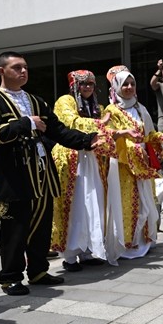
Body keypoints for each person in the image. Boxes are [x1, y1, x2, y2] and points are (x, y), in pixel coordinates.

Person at [0, 52, 97, 295]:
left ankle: (38, 270)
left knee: (41, 225)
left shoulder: (36, 100)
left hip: (41, 173)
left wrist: (88, 141)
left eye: (25, 67)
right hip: (13, 174)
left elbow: (58, 131)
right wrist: (27, 123)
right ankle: (10, 277)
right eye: (17, 67)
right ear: (2, 71)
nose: (23, 71)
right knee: (14, 228)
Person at [102, 69, 163, 258]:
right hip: (122, 166)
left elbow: (150, 136)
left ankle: (143, 239)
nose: (129, 87)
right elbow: (106, 136)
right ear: (116, 87)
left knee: (145, 201)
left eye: (132, 84)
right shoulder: (111, 111)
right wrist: (124, 136)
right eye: (125, 84)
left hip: (142, 163)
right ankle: (125, 243)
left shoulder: (141, 109)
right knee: (126, 202)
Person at [51, 70, 116, 269]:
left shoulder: (99, 106)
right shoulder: (65, 101)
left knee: (93, 203)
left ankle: (88, 251)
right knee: (75, 204)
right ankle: (70, 255)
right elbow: (72, 122)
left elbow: (109, 127)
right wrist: (100, 124)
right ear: (74, 85)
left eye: (90, 84)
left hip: (93, 160)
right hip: (72, 157)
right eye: (82, 84)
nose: (87, 87)